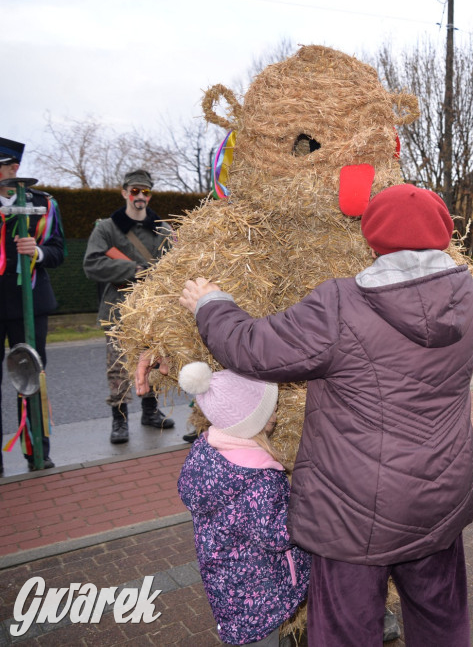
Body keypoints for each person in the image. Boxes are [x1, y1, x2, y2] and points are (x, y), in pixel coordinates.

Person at [177, 184, 473, 647]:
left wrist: (210, 304)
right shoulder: (471, 297)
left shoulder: (341, 305)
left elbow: (253, 348)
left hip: (353, 511)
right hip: (440, 495)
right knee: (441, 619)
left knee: (345, 630)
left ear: (371, 236)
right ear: (445, 232)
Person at [177, 361, 310, 647]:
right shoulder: (259, 478)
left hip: (228, 584)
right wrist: (308, 507)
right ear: (256, 420)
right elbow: (277, 536)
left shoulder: (205, 454)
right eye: (271, 408)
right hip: (260, 590)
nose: (276, 412)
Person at [83, 169, 175, 444]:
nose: (139, 196)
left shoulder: (162, 228)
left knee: (155, 362)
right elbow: (91, 264)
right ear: (124, 192)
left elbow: (176, 265)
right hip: (118, 308)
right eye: (134, 191)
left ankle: (150, 411)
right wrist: (130, 269)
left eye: (145, 192)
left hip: (152, 309)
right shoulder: (107, 228)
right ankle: (119, 420)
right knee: (118, 366)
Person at [0, 137, 65, 473]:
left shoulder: (43, 204)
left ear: (13, 169)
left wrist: (36, 252)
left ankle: (37, 450)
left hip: (30, 306)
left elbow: (58, 251)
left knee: (30, 377)